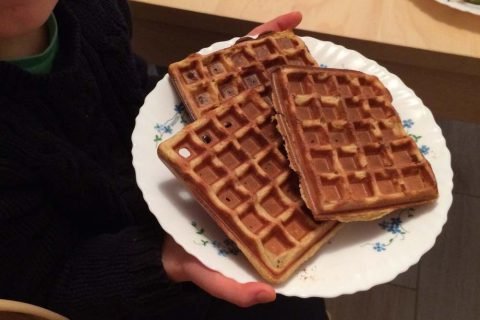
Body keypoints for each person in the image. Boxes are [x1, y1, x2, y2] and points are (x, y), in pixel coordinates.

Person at [0, 1, 328, 319]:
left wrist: (212, 87)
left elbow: (125, 93)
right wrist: (167, 261)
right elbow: (43, 290)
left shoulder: (90, 9)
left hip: (180, 208)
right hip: (123, 287)